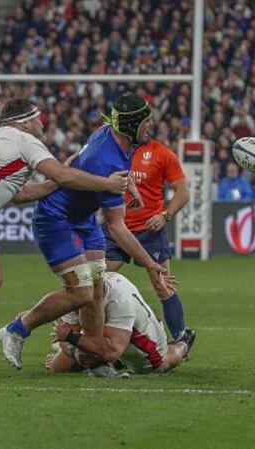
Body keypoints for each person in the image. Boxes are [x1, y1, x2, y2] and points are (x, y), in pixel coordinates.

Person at [0, 98, 129, 380]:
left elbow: (18, 195)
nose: (42, 123)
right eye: (38, 119)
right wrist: (105, 183)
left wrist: (58, 180)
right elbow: (61, 174)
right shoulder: (25, 140)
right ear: (25, 122)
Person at [0, 92, 171, 371]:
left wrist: (131, 186)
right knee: (81, 292)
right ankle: (17, 328)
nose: (150, 127)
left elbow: (85, 159)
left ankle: (96, 362)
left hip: (84, 218)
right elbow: (118, 228)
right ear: (130, 125)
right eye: (146, 122)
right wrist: (151, 265)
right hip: (56, 219)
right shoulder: (107, 161)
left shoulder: (110, 136)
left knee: (97, 290)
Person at [103, 110, 192, 341]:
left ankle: (181, 338)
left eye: (149, 124)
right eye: (144, 124)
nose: (147, 128)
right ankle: (83, 337)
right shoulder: (116, 150)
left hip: (150, 231)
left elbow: (183, 191)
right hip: (117, 229)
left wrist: (165, 215)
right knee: (94, 284)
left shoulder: (163, 154)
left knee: (163, 285)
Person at [46, 272, 195, 377]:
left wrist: (71, 339)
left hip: (145, 345)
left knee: (163, 363)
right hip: (114, 334)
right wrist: (75, 351)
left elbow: (111, 351)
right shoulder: (78, 293)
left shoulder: (120, 300)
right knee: (58, 367)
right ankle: (112, 362)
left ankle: (182, 345)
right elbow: (62, 336)